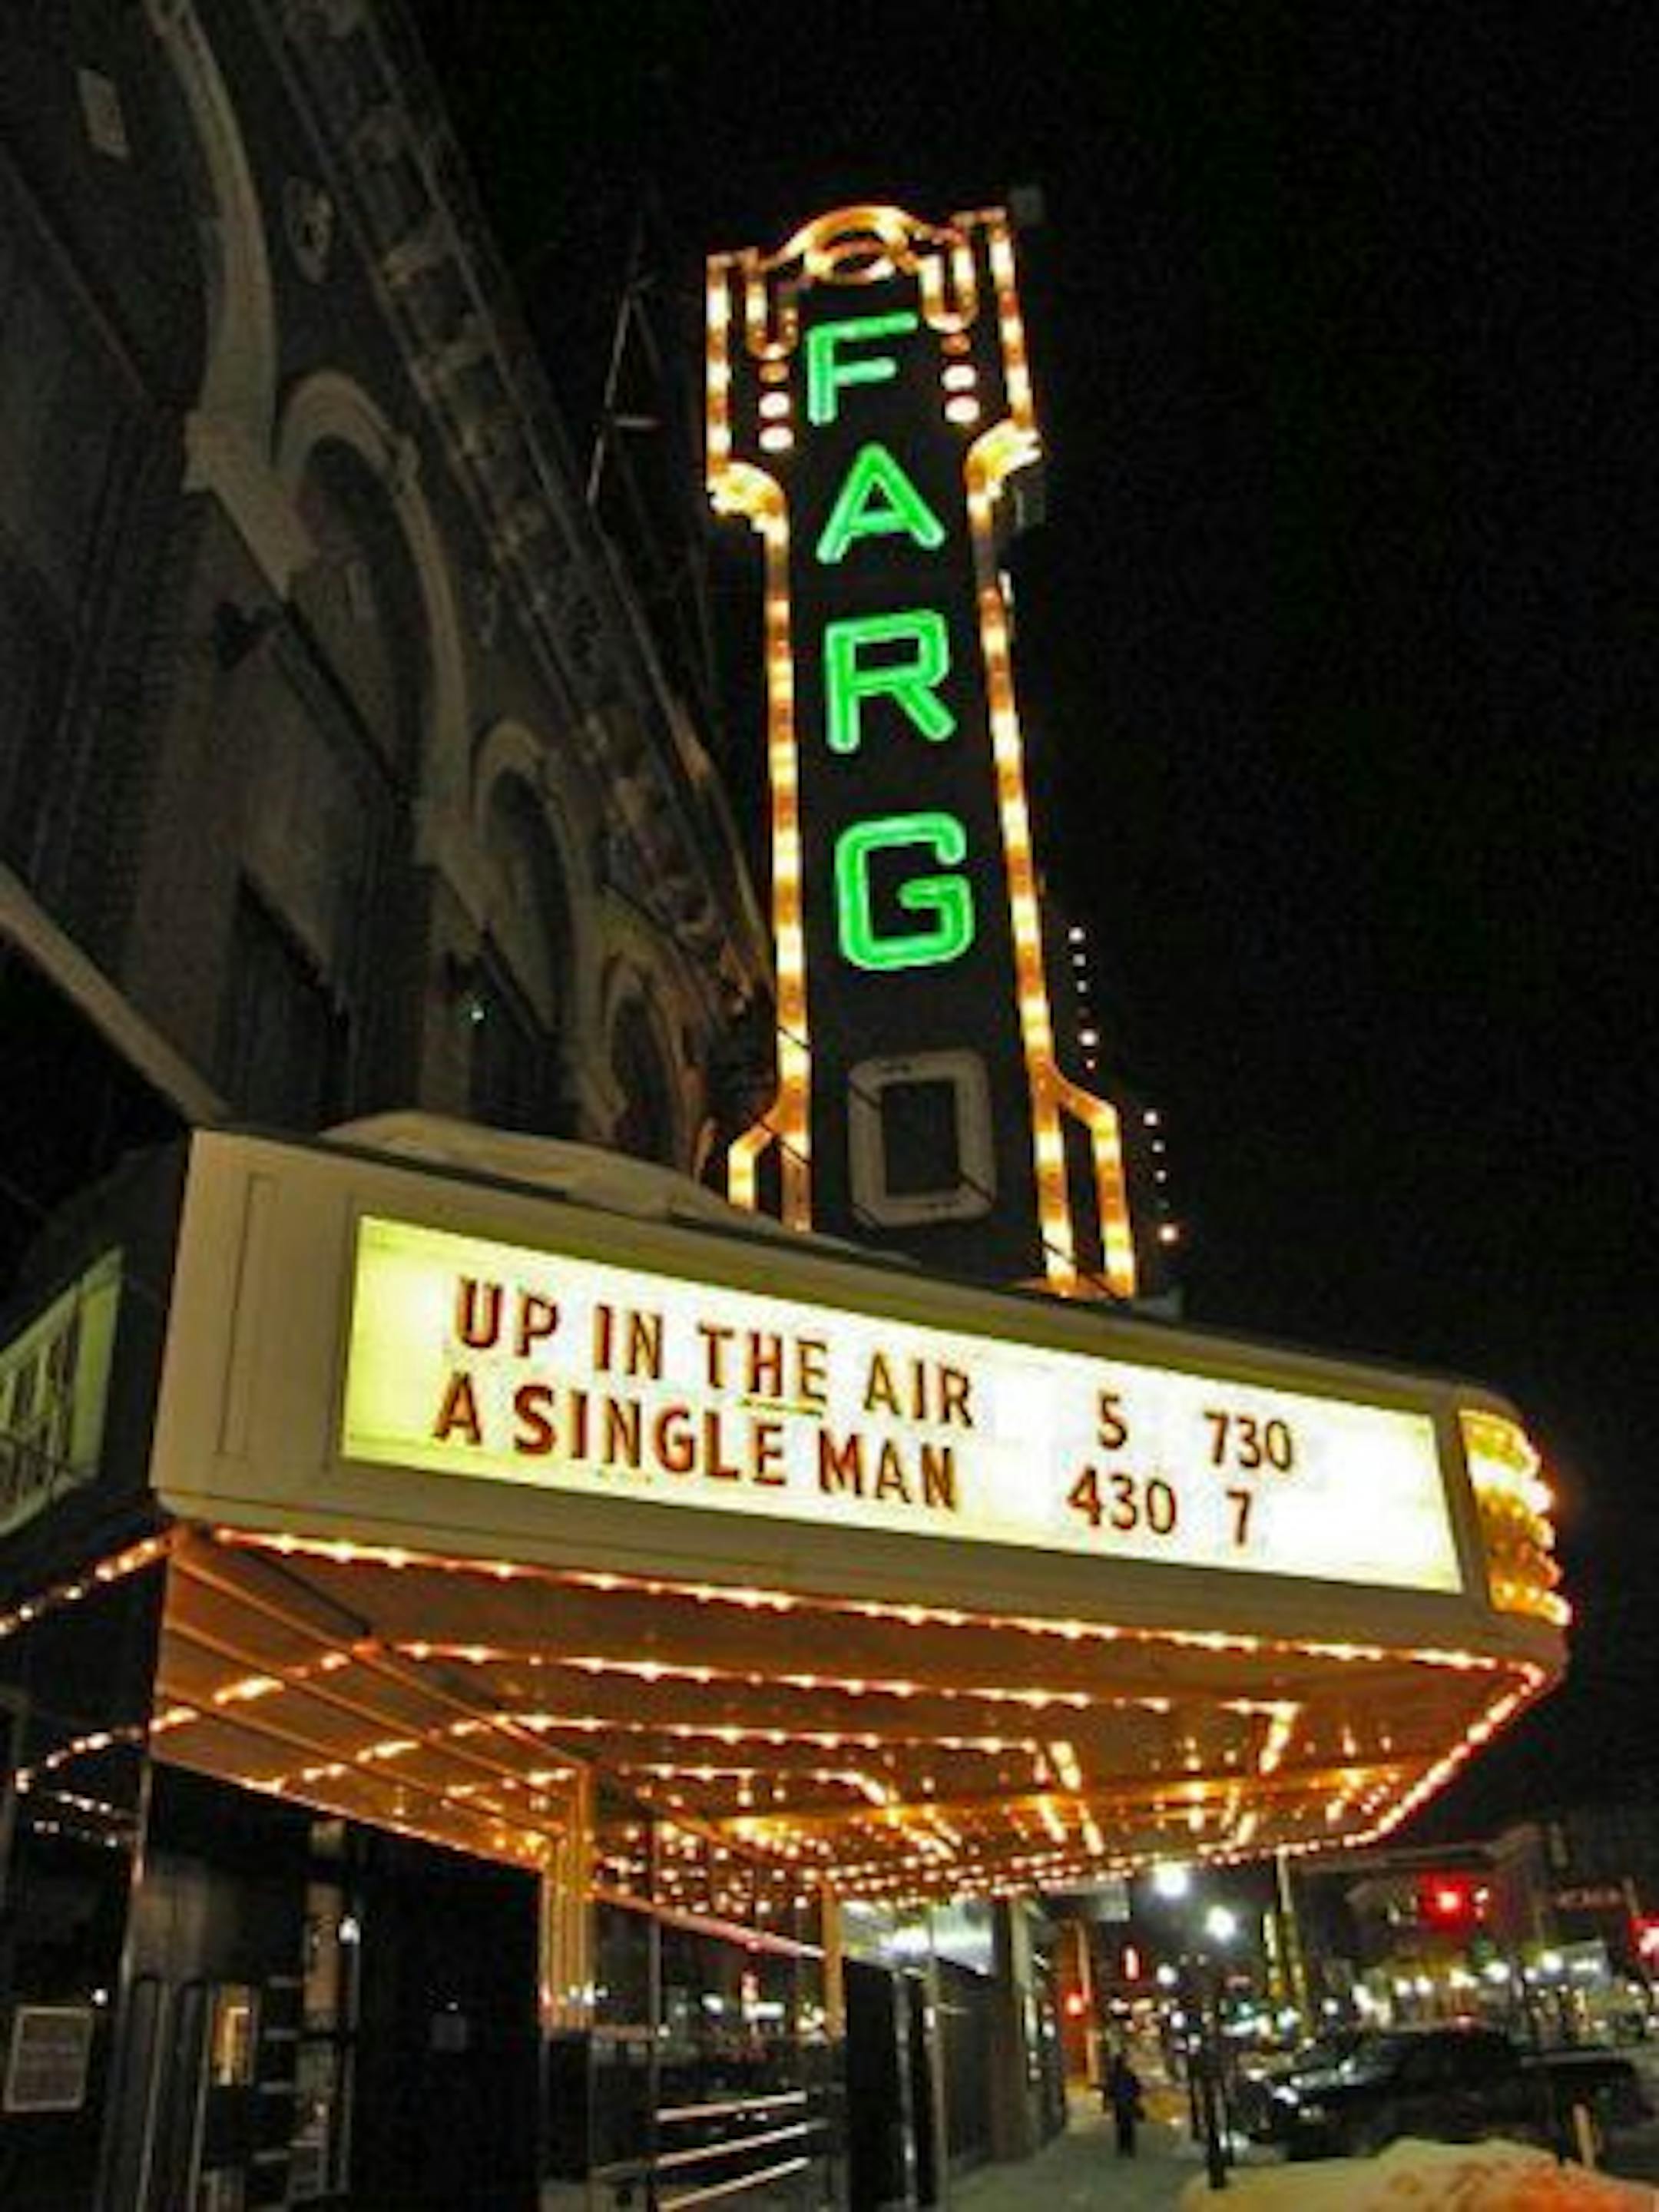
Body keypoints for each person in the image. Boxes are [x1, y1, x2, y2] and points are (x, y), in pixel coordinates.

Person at [1104, 2047, 1144, 2157]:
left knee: (1121, 2127)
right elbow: (1137, 2087)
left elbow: (1109, 2090)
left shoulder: (1113, 2076)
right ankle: (1130, 2148)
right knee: (1129, 2127)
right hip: (1129, 2102)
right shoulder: (1129, 2074)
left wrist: (1108, 2102)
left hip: (1119, 2104)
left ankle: (1122, 2148)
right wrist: (1136, 2098)